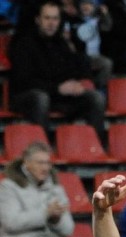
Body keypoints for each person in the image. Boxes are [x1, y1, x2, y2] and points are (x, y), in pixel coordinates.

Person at [8, 0, 106, 140]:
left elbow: (73, 67)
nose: (51, 23)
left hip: (57, 96)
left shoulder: (60, 43)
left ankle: (96, 146)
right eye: (47, 18)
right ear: (38, 20)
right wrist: (57, 88)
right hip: (27, 96)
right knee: (41, 98)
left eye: (55, 19)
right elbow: (24, 81)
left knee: (96, 98)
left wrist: (79, 83)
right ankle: (43, 147)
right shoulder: (23, 43)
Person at [0, 141, 97, 237]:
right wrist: (45, 214)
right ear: (26, 163)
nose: (45, 168)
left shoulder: (56, 189)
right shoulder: (8, 187)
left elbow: (68, 230)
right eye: (40, 163)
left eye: (47, 163)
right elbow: (11, 223)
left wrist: (56, 220)